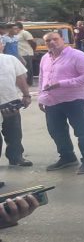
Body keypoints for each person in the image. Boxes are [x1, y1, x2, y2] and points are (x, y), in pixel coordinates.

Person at [38, 32, 84, 174]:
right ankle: (67, 157)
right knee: (56, 131)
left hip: (74, 100)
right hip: (51, 101)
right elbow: (42, 77)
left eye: (55, 39)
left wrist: (62, 84)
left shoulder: (78, 55)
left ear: (63, 39)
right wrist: (41, 96)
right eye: (48, 40)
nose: (52, 42)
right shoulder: (45, 58)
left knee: (82, 131)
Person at [0, 38, 33, 167]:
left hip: (10, 102)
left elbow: (20, 78)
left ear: (2, 46)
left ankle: (16, 158)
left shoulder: (10, 59)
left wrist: (26, 95)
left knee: (14, 132)